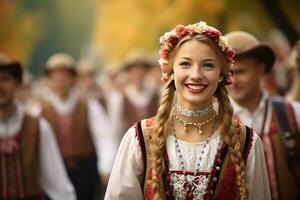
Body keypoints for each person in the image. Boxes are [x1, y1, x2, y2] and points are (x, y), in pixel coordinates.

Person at [105, 21, 270, 200]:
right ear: (171, 71)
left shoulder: (247, 142)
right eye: (185, 64)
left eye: (208, 65)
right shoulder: (139, 139)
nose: (196, 75)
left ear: (222, 74)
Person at [225, 31, 300, 200]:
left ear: (260, 70)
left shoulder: (294, 114)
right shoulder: (215, 124)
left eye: (241, 72)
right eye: (229, 73)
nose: (234, 81)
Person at [39, 53, 116, 200]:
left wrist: (105, 166)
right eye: (55, 75)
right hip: (54, 172)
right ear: (49, 79)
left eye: (64, 75)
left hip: (84, 171)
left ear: (73, 78)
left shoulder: (88, 106)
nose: (59, 79)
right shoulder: (41, 111)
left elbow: (104, 137)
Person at [0, 53, 76, 199]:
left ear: (16, 83)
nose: (0, 86)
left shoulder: (37, 127)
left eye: (5, 79)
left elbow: (58, 184)